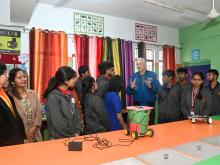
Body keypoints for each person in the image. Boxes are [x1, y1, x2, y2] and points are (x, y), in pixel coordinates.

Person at [43, 66, 81, 139]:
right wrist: (71, 135)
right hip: (59, 138)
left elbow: (77, 115)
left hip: (73, 136)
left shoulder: (70, 94)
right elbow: (58, 122)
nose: (75, 80)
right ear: (66, 81)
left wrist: (77, 132)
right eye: (73, 78)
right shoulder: (53, 97)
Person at [8, 68, 42, 142]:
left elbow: (39, 112)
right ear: (13, 82)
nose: (23, 79)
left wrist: (34, 127)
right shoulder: (10, 97)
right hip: (21, 134)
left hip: (35, 132)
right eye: (19, 78)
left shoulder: (33, 93)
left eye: (24, 76)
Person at [126, 58, 160, 125]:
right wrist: (131, 88)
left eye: (140, 64)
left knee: (150, 123)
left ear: (145, 65)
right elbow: (128, 92)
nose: (138, 66)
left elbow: (157, 90)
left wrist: (151, 87)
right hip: (137, 104)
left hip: (149, 104)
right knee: (138, 123)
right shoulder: (133, 76)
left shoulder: (152, 75)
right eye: (137, 64)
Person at [0, 64, 26, 146]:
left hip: (17, 140)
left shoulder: (5, 94)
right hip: (5, 144)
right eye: (4, 74)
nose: (7, 76)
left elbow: (16, 116)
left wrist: (22, 137)